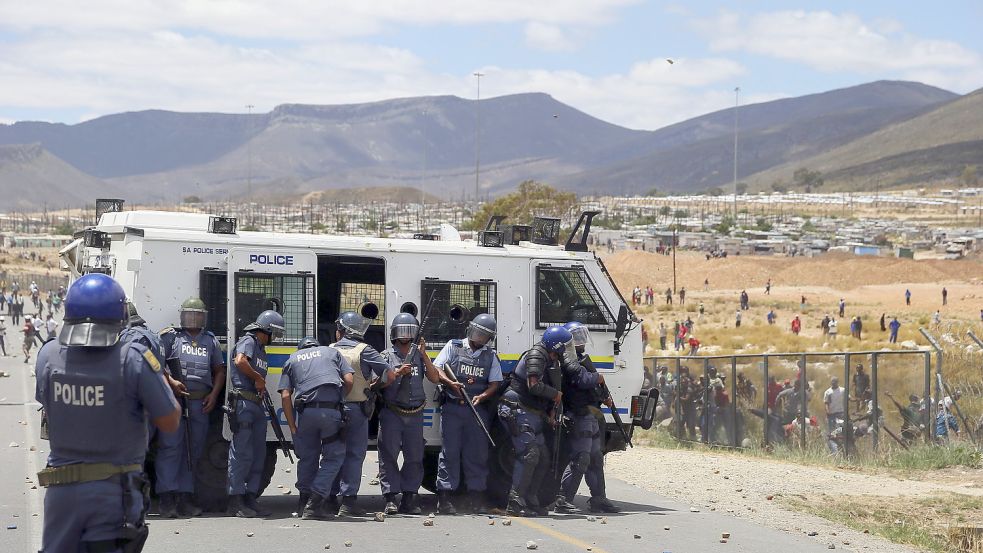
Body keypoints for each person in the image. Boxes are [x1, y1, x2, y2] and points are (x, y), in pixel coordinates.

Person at [35, 273, 180, 553]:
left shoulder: (48, 355)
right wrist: (160, 378)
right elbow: (170, 420)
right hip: (113, 493)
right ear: (120, 315)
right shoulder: (134, 359)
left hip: (60, 494)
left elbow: (47, 401)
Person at [155, 298, 226, 518]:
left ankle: (185, 498)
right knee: (170, 449)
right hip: (175, 403)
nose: (193, 318)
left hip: (200, 404)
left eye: (198, 314)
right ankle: (167, 499)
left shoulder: (210, 340)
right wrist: (171, 383)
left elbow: (219, 370)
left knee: (192, 452)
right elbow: (157, 364)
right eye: (189, 314)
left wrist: (213, 395)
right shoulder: (171, 337)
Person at [498, 326, 574, 517]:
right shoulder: (536, 355)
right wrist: (555, 394)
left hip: (532, 412)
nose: (566, 350)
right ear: (556, 345)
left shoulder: (550, 359)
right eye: (564, 346)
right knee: (529, 454)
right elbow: (534, 386)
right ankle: (515, 502)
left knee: (543, 457)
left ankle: (531, 499)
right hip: (517, 407)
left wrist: (550, 411)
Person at [433, 313, 503, 515]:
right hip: (453, 408)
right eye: (477, 333)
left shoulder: (490, 356)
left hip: (477, 410)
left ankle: (475, 497)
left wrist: (483, 396)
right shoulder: (453, 346)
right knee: (450, 453)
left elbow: (495, 383)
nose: (479, 338)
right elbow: (438, 368)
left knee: (477, 454)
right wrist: (449, 382)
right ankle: (444, 498)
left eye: (484, 336)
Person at [278, 337, 354, 520]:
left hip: (306, 414)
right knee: (334, 457)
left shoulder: (292, 359)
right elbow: (349, 380)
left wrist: (292, 426)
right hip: (330, 413)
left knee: (307, 458)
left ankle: (303, 502)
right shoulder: (332, 352)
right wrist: (338, 399)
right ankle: (315, 502)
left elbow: (286, 395)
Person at [377, 313, 442, 515]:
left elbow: (434, 378)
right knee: (388, 455)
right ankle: (390, 498)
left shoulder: (419, 354)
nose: (406, 336)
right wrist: (397, 373)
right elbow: (376, 383)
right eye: (402, 331)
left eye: (410, 332)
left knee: (414, 456)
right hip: (392, 412)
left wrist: (424, 355)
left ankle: (410, 496)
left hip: (415, 413)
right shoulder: (386, 355)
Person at [553, 321, 620, 514]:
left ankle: (599, 498)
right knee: (580, 457)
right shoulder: (568, 359)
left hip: (590, 413)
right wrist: (597, 378)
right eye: (577, 337)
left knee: (595, 458)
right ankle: (563, 499)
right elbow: (582, 381)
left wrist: (602, 394)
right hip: (578, 414)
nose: (581, 341)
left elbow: (590, 386)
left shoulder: (579, 358)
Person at [329, 311, 389, 517]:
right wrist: (373, 386)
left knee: (332, 453)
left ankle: (328, 498)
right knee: (354, 455)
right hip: (356, 409)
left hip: (332, 409)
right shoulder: (365, 350)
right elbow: (387, 373)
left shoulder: (328, 350)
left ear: (342, 330)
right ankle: (348, 502)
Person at [226, 309, 285, 518]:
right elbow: (240, 361)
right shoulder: (249, 341)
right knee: (241, 453)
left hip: (257, 404)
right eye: (275, 333)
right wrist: (257, 378)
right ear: (266, 329)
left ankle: (251, 497)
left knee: (259, 453)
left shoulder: (261, 349)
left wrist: (260, 384)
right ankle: (236, 500)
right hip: (243, 402)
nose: (275, 338)